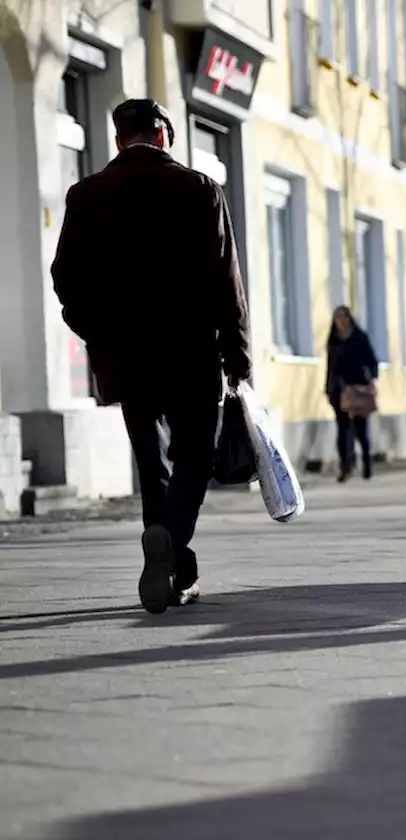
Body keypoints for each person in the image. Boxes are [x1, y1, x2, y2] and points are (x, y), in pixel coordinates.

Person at [50, 99, 251, 615]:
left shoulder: (86, 195)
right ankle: (172, 538)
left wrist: (98, 332)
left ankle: (173, 564)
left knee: (150, 460)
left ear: (121, 141)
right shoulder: (199, 189)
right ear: (163, 136)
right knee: (194, 458)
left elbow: (65, 278)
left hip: (126, 355)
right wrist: (238, 357)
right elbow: (226, 282)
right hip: (191, 351)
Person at [325, 306, 379, 482]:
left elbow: (371, 360)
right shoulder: (333, 340)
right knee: (342, 429)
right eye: (337, 318)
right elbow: (330, 366)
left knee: (361, 429)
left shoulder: (359, 337)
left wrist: (372, 380)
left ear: (349, 319)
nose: (341, 321)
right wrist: (328, 388)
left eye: (344, 317)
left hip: (358, 388)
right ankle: (345, 467)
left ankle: (366, 463)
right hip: (338, 390)